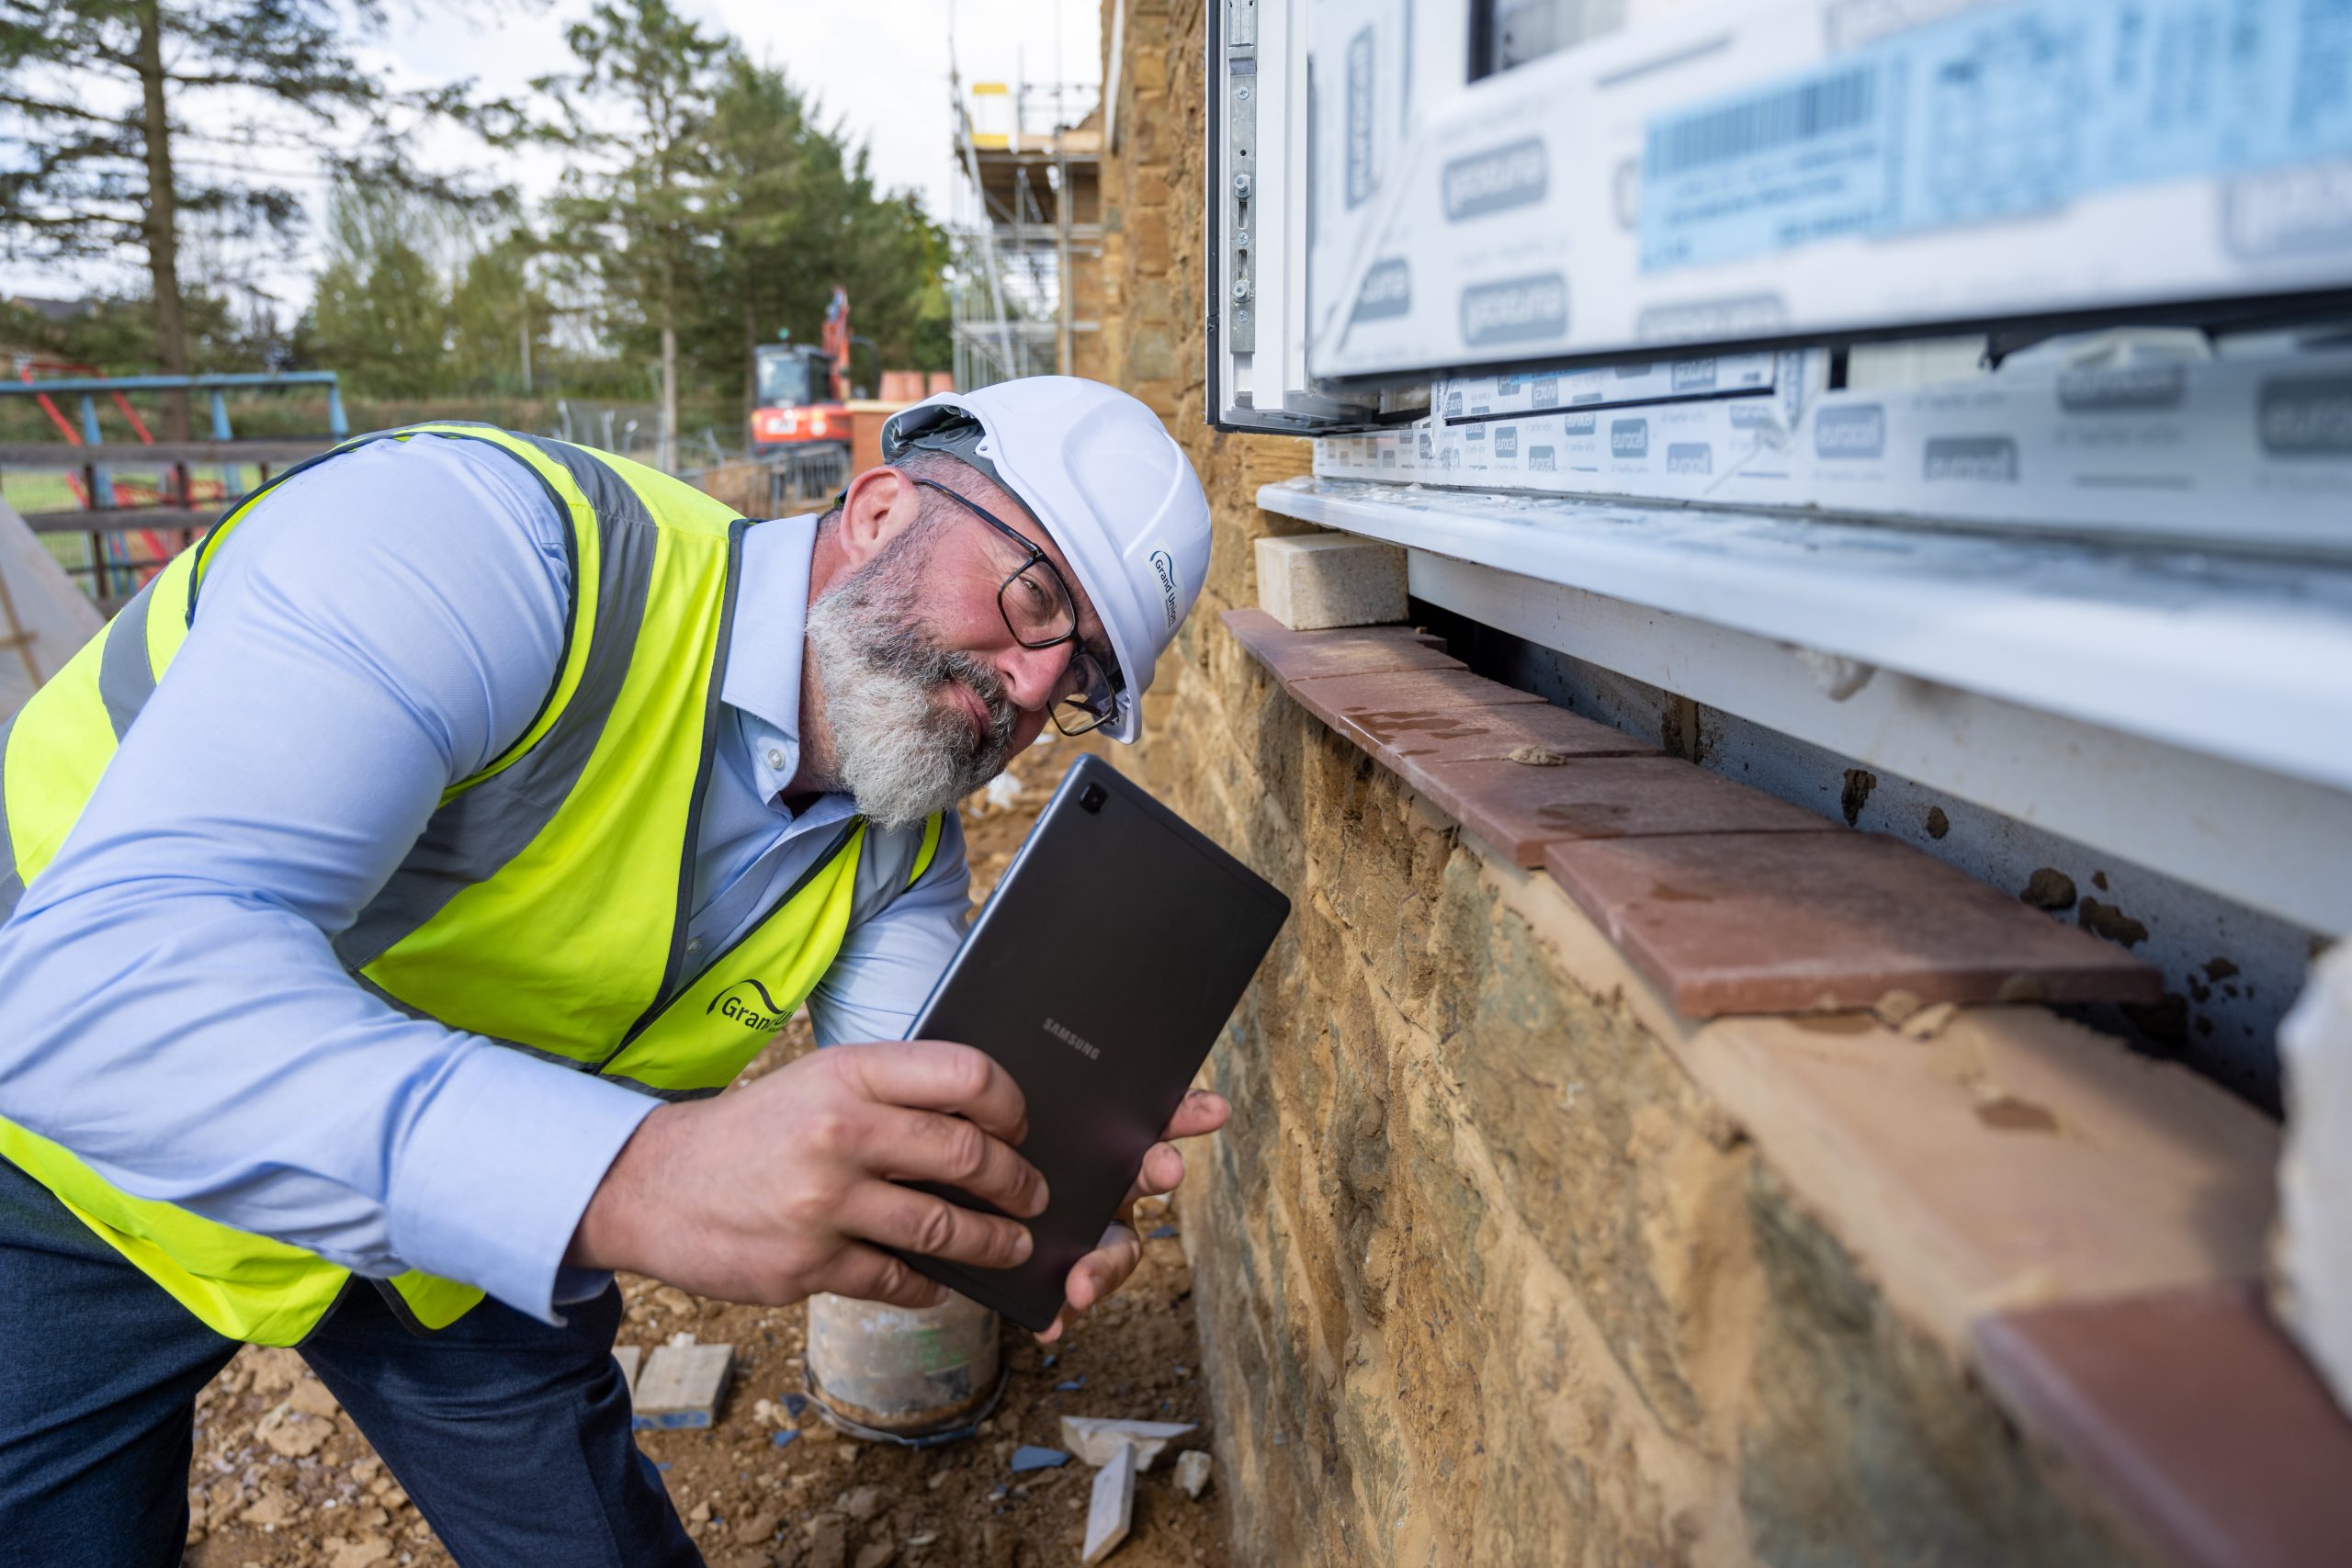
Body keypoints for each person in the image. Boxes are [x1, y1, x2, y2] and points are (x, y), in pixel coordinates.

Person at [0, 377, 1221, 1564]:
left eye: (1087, 679)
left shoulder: (896, 846)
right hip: (83, 1178)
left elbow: (920, 1101)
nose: (1034, 682)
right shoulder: (491, 547)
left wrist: (1020, 1186)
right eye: (1036, 598)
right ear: (882, 511)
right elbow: (94, 997)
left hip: (455, 1236)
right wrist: (640, 1175)